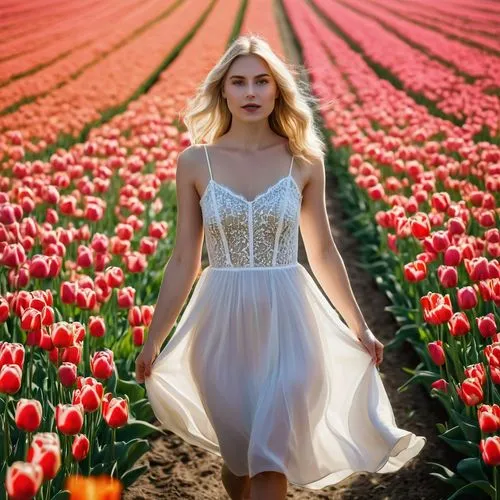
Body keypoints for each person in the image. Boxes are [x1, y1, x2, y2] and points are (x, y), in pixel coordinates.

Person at [135, 34, 426, 500]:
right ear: (223, 91)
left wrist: (360, 326)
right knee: (240, 464)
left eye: (261, 81)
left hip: (290, 319)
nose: (250, 92)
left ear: (277, 90)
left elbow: (324, 252)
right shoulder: (195, 162)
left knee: (271, 462)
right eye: (239, 82)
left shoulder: (304, 161)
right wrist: (155, 338)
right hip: (219, 325)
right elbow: (185, 258)